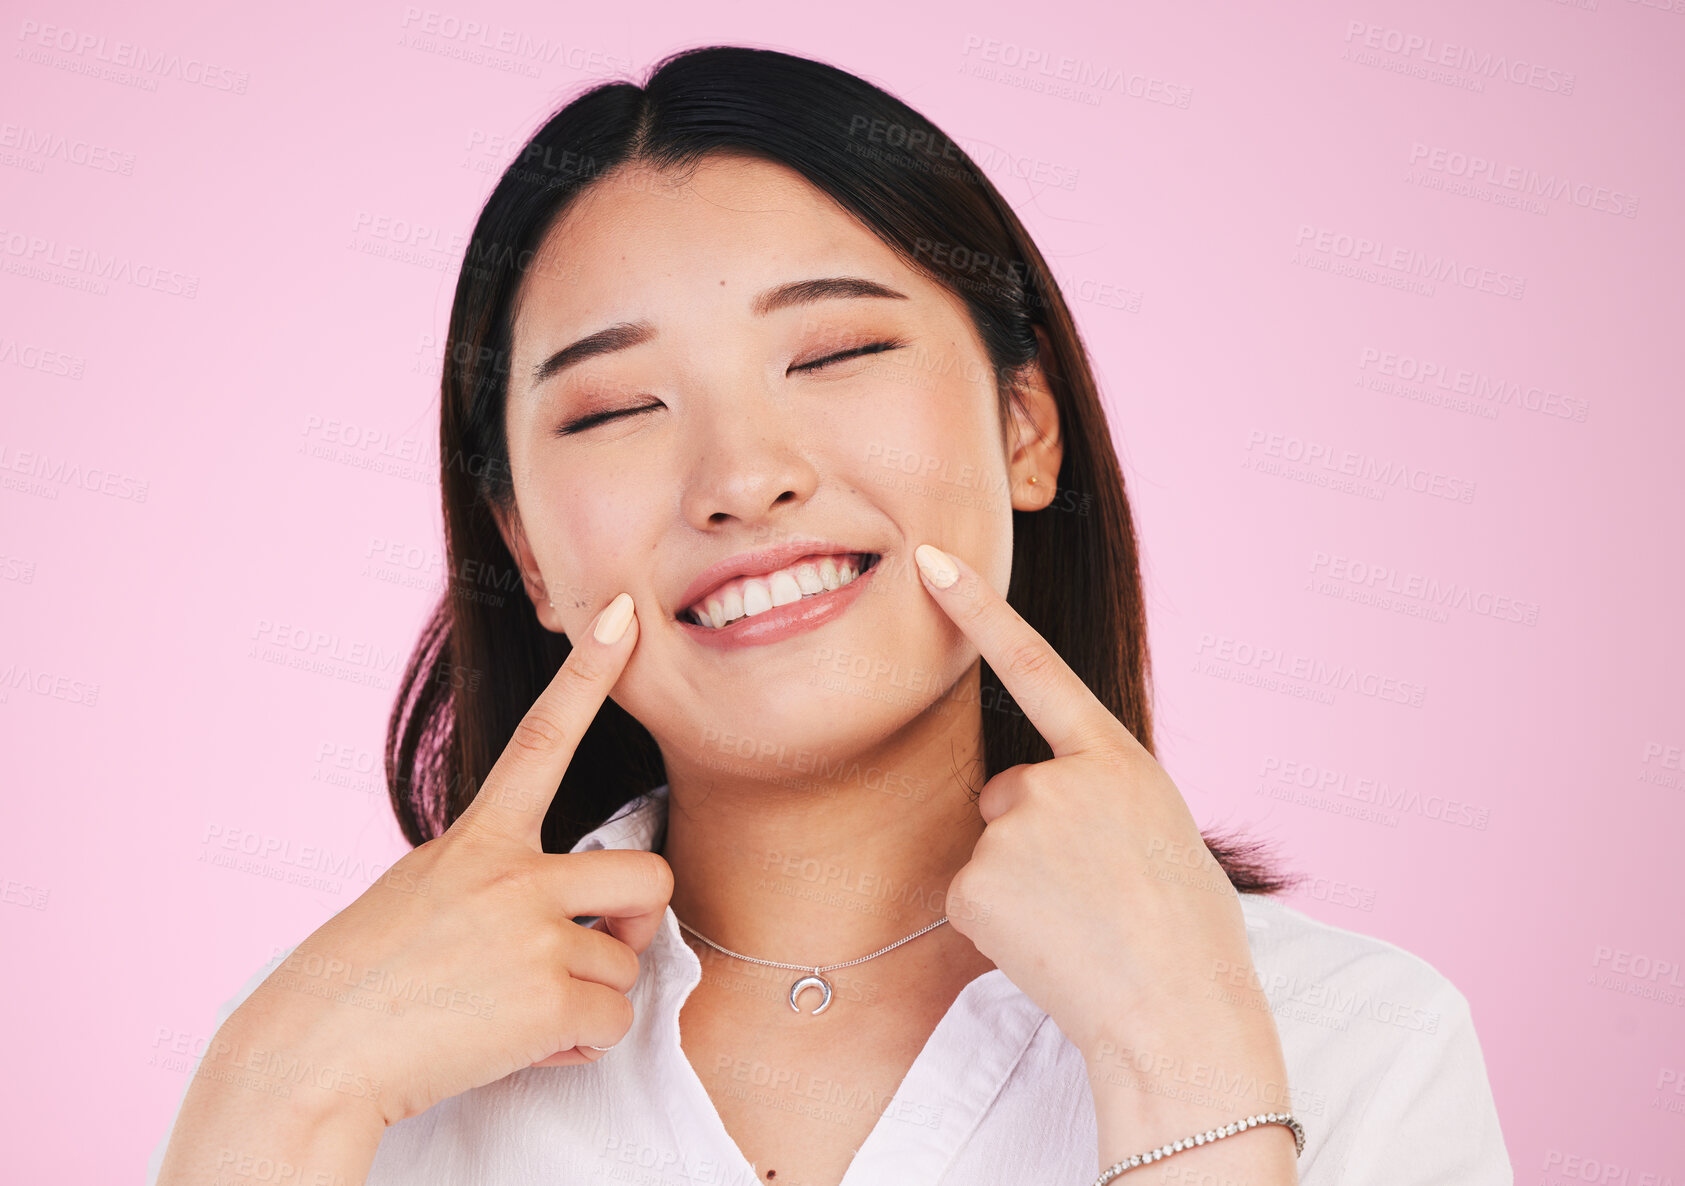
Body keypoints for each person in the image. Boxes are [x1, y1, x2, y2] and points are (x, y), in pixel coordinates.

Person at [150, 45, 1512, 1186]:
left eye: (840, 351)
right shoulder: (358, 1069)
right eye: (618, 408)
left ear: (1024, 427)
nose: (744, 477)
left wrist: (1182, 1068)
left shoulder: (1350, 1037)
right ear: (526, 551)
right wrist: (273, 1096)